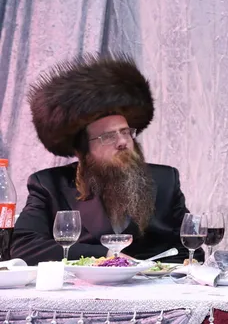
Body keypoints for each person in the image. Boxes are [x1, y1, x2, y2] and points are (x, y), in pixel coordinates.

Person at [12, 54, 200, 264]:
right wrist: (106, 257)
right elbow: (24, 246)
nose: (123, 142)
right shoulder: (48, 185)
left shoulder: (166, 180)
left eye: (126, 132)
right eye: (108, 136)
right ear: (82, 150)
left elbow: (191, 249)